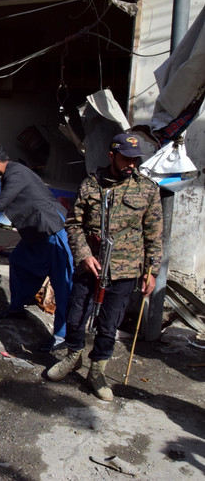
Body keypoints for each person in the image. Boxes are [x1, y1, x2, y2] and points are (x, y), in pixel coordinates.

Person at [46, 132, 162, 401]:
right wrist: (85, 255)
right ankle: (73, 356)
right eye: (126, 159)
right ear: (112, 156)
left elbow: (153, 234)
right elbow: (73, 224)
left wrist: (151, 272)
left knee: (109, 324)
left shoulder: (147, 189)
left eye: (136, 160)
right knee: (75, 317)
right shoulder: (90, 185)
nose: (131, 164)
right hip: (91, 267)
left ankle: (97, 370)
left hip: (124, 270)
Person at [0, 145, 73, 352]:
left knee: (62, 282)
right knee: (19, 261)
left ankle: (62, 335)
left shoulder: (16, 173)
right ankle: (17, 307)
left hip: (52, 229)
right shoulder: (11, 173)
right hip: (35, 231)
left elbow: (0, 204)